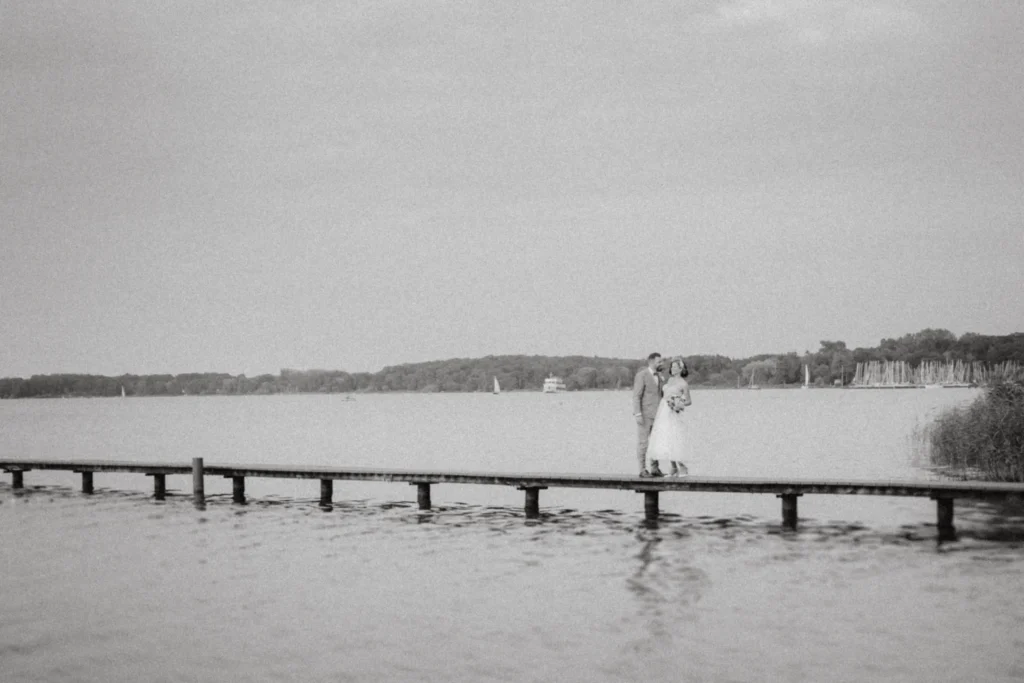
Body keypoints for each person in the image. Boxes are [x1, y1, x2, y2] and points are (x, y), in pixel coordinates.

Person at [645, 357, 693, 477]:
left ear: (681, 369)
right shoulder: (669, 380)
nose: (673, 368)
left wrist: (679, 403)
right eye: (672, 366)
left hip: (674, 413)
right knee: (666, 438)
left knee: (675, 437)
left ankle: (682, 467)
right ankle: (673, 467)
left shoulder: (683, 384)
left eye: (676, 367)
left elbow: (689, 401)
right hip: (663, 411)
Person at [632, 352, 664, 477]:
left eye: (661, 361)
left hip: (659, 416)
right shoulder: (642, 375)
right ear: (651, 362)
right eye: (659, 362)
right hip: (645, 415)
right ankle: (642, 469)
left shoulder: (660, 376)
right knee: (643, 443)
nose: (661, 363)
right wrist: (638, 413)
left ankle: (655, 468)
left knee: (656, 442)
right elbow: (636, 396)